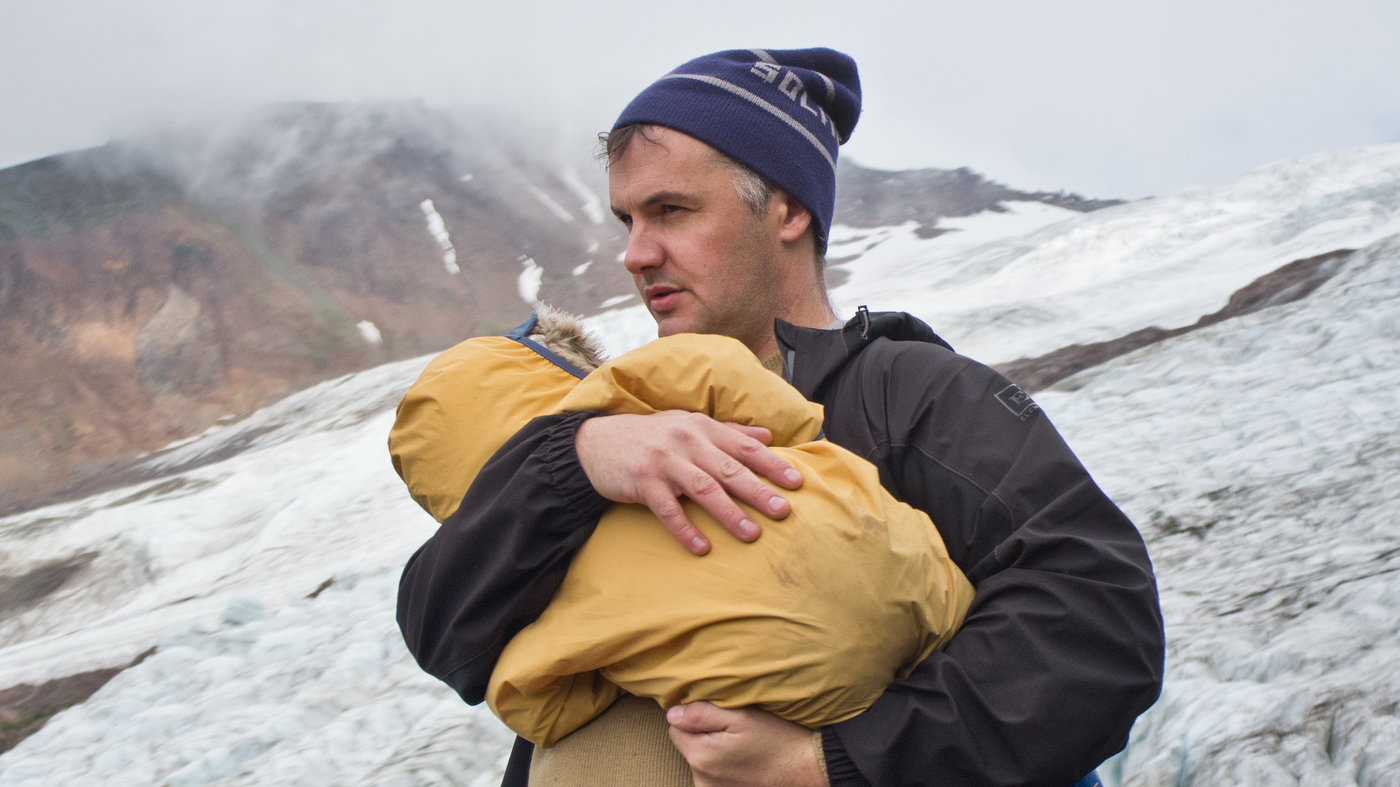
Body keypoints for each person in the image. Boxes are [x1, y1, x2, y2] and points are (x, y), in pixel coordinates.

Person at [397, 47, 1164, 787]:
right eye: (627, 220)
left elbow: (1098, 624)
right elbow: (443, 629)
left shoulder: (910, 394)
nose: (635, 253)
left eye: (670, 211)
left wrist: (831, 765)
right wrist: (581, 458)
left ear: (789, 210)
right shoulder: (617, 414)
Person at [388, 308, 974, 750]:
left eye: (672, 211)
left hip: (795, 692)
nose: (637, 256)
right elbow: (761, 396)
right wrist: (808, 447)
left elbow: (536, 702)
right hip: (927, 589)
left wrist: (616, 665)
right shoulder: (646, 387)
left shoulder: (539, 597)